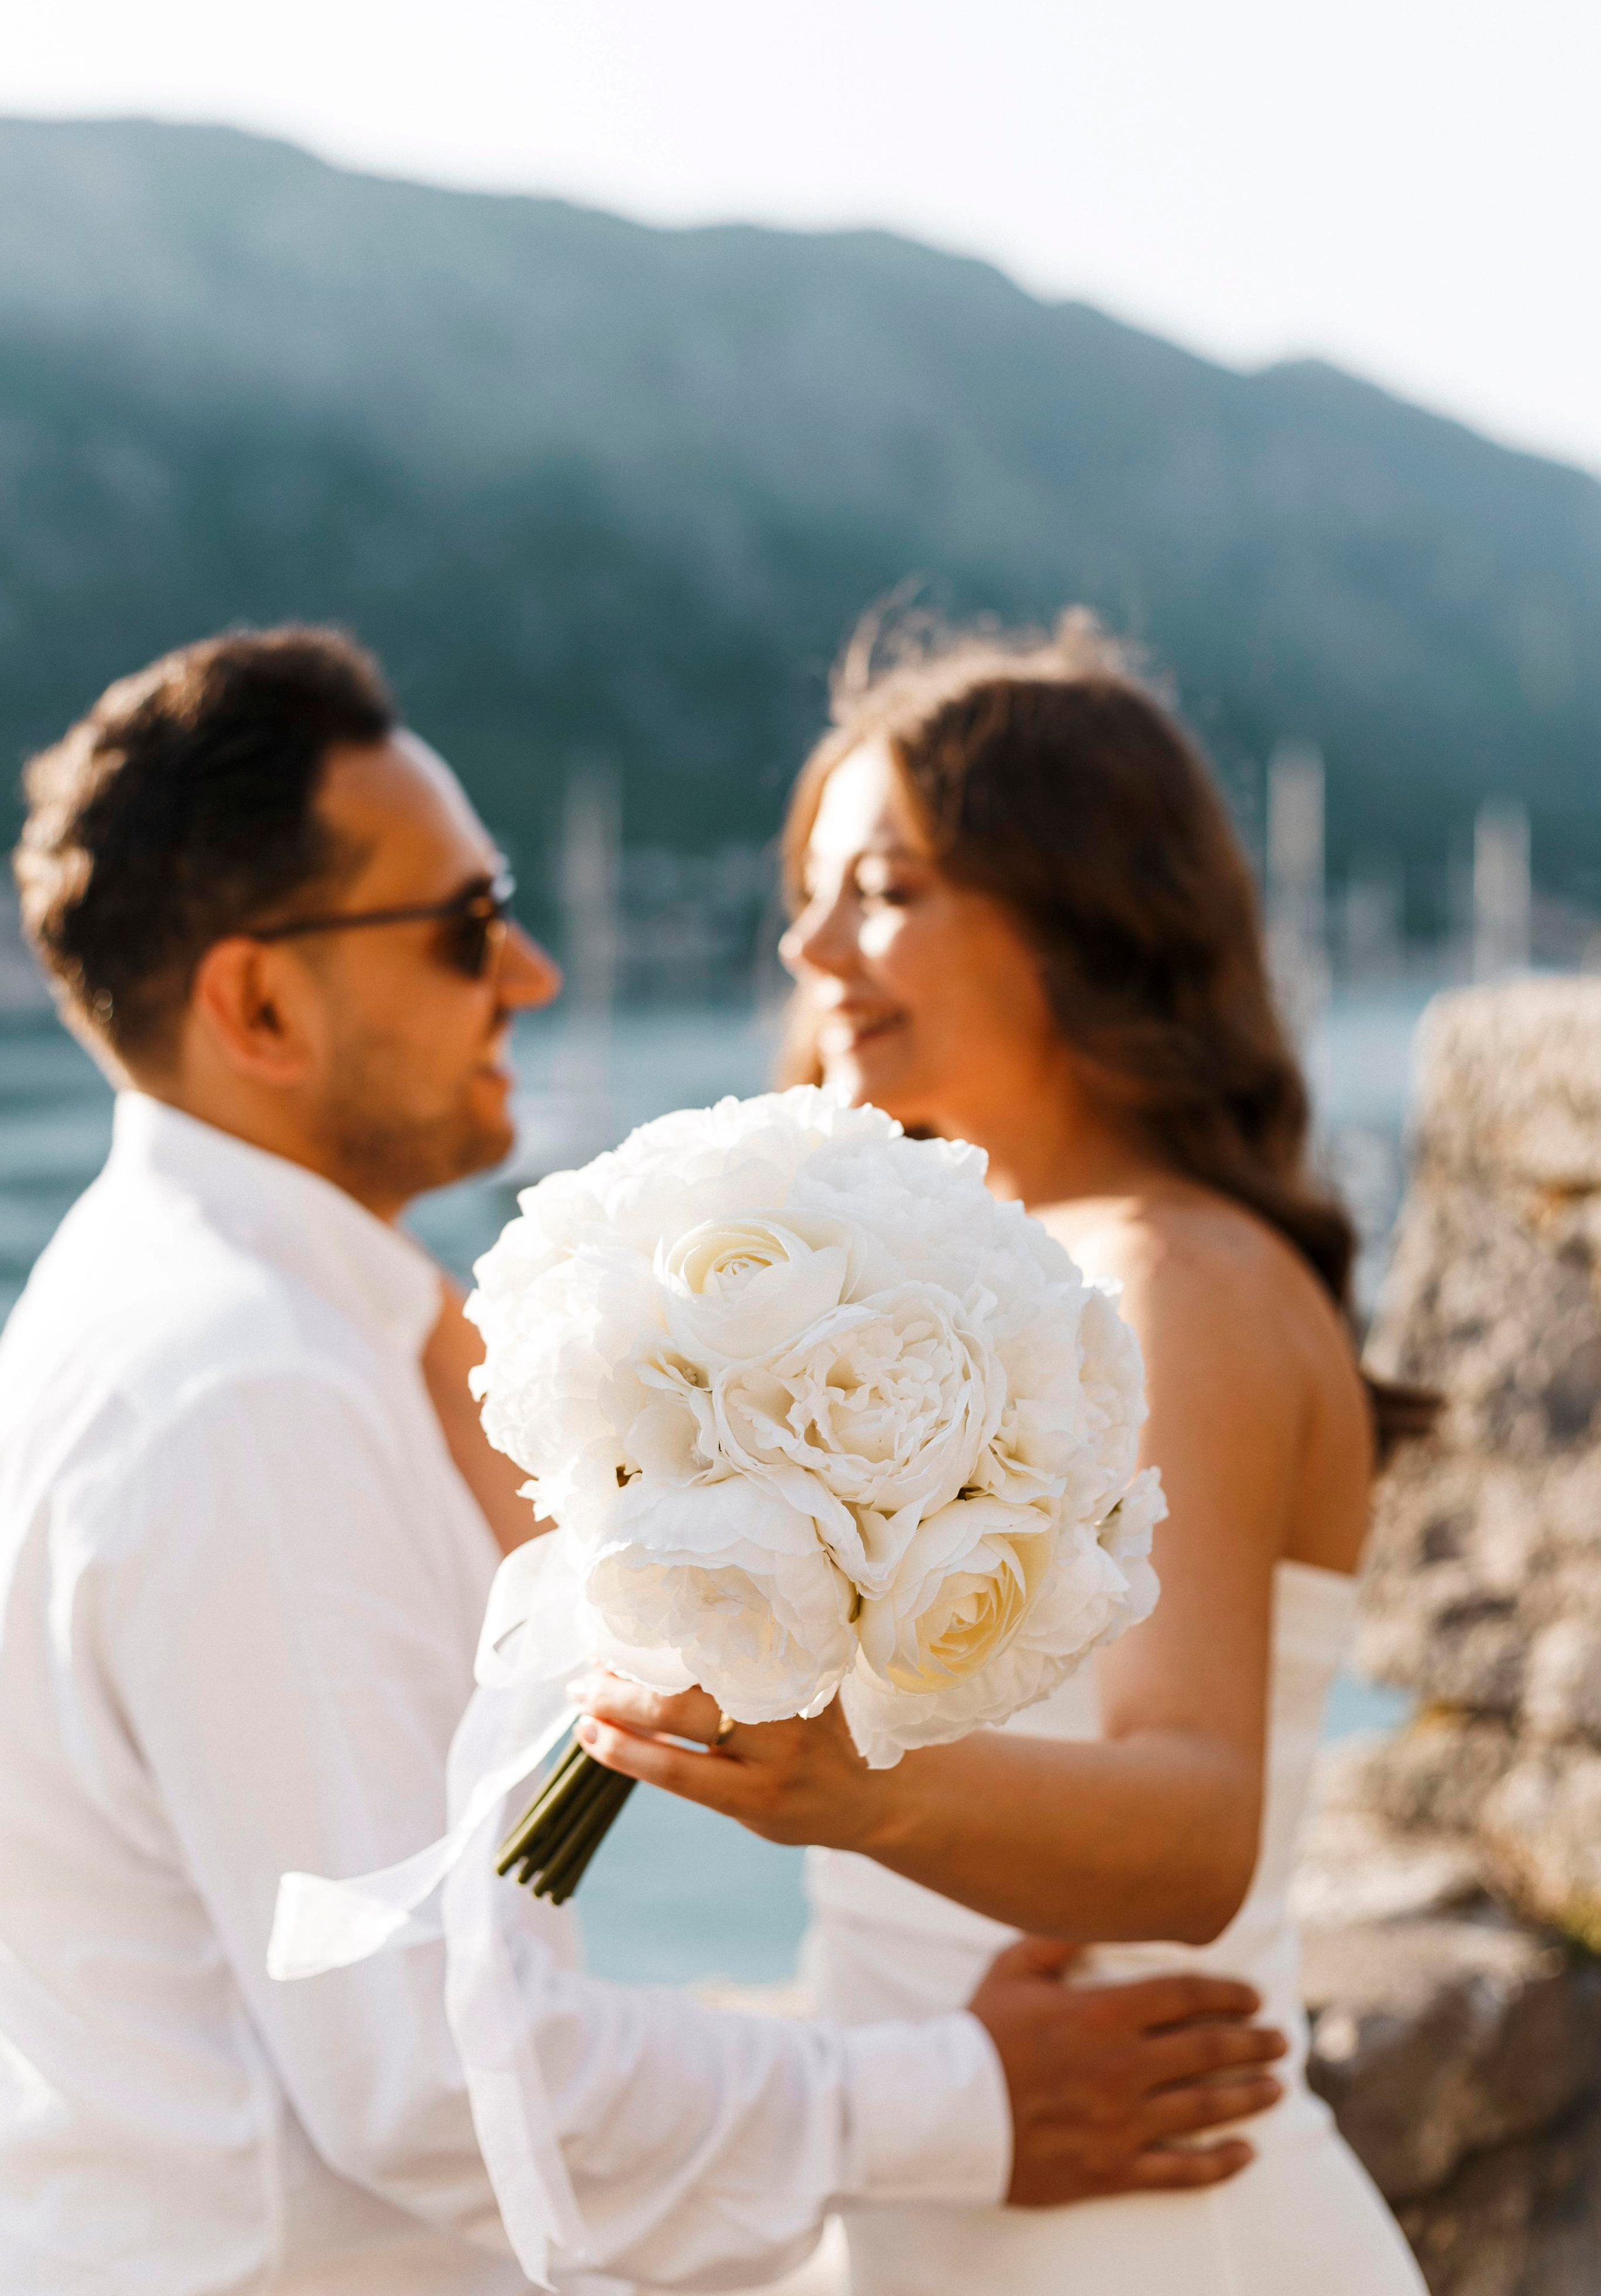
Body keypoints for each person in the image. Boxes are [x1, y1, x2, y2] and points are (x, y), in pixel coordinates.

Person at [0, 626, 1286, 2295]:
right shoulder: (245, 1391)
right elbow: (433, 2073)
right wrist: (960, 2103)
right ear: (257, 1002)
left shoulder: (173, 1319)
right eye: (467, 927)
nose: (531, 974)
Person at [574, 613, 1433, 2293]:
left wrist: (852, 1784)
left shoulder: (1168, 1280)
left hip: (1158, 2229)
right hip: (953, 2198)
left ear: (1083, 918)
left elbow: (1199, 1832)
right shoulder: (947, 1285)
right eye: (811, 892)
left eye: (885, 891)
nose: (812, 946)